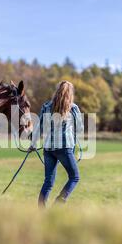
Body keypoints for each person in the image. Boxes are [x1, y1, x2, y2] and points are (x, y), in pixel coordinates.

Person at [30, 80, 83, 208]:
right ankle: (59, 203)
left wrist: (33, 144)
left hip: (48, 149)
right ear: (70, 93)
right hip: (65, 149)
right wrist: (74, 140)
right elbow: (80, 128)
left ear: (57, 91)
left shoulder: (46, 106)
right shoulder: (73, 108)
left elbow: (38, 127)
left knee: (48, 182)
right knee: (74, 177)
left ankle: (41, 212)